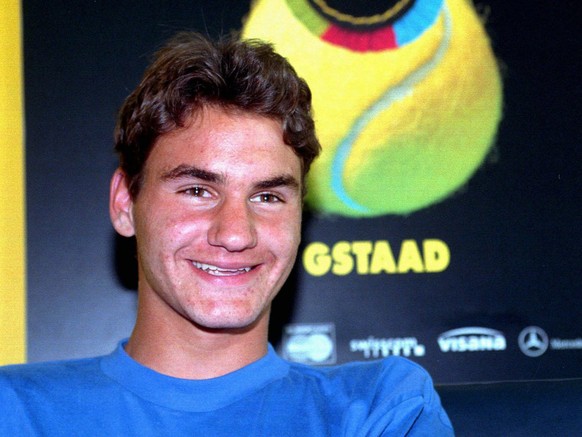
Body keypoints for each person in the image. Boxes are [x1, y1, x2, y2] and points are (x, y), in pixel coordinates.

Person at [0, 32, 454, 436]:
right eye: (198, 190)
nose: (236, 234)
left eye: (268, 196)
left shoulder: (380, 410)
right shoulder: (14, 411)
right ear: (125, 203)